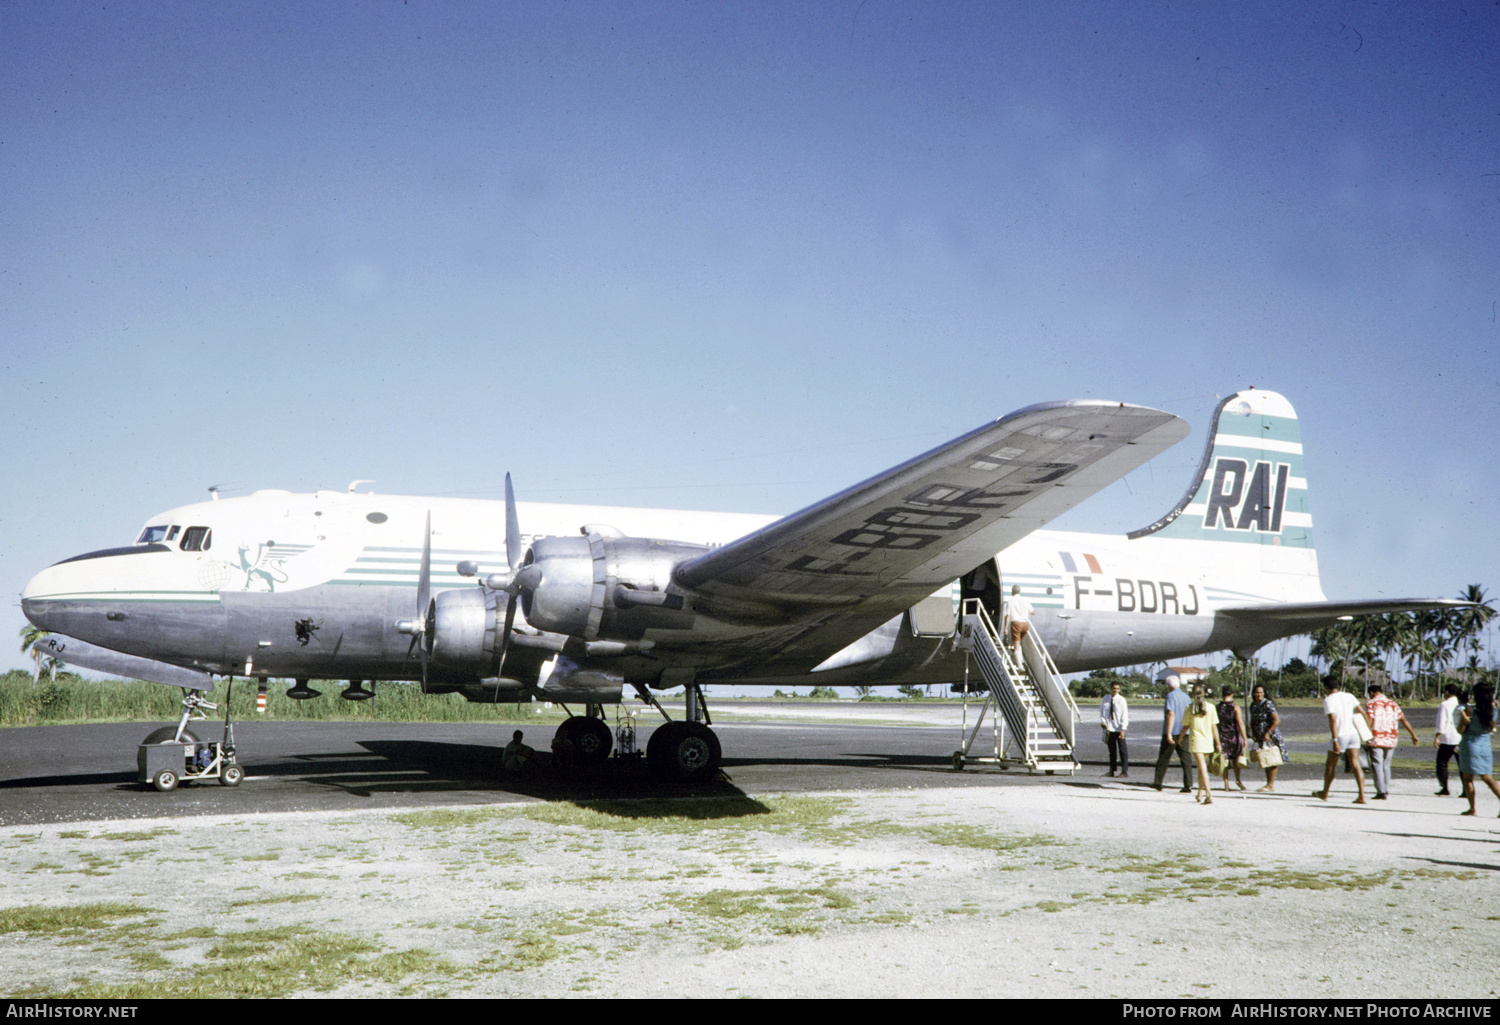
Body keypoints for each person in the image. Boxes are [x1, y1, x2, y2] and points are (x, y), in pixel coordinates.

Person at [1315, 676, 1369, 804]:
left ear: (1326, 687)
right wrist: (1367, 731)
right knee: (1356, 764)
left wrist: (1334, 739)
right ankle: (1361, 795)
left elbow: (1332, 719)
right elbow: (1363, 713)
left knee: (1330, 765)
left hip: (1340, 735)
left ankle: (1325, 792)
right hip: (1353, 734)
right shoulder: (1349, 696)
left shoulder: (1328, 700)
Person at [1363, 683, 1419, 800]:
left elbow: (1369, 718)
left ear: (1371, 693)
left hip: (1376, 738)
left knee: (1377, 765)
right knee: (1386, 765)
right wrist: (1413, 734)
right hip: (1391, 738)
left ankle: (1380, 791)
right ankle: (1386, 789)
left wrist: (1365, 734)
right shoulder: (1393, 704)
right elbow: (1403, 719)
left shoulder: (1371, 703)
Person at [1456, 681, 1499, 817]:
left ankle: (1472, 808)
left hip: (1470, 743)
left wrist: (1464, 720)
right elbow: (1491, 728)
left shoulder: (1470, 710)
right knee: (1487, 777)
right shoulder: (1494, 710)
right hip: (1485, 744)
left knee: (1468, 778)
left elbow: (1460, 731)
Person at [1152, 673, 1193, 793]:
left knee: (1164, 758)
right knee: (1186, 759)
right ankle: (1188, 784)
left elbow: (1170, 714)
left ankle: (1158, 783)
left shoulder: (1170, 696)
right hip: (1184, 731)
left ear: (1168, 685)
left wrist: (1168, 732)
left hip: (1173, 731)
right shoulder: (1186, 696)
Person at [1182, 683, 1221, 805]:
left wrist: (1180, 737)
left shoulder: (1190, 708)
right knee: (1201, 767)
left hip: (1196, 740)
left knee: (1202, 767)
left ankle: (1208, 793)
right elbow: (1214, 727)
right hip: (1208, 740)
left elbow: (1186, 725)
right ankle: (1200, 792)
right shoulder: (1211, 707)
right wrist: (1217, 742)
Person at [1249, 683, 1286, 792]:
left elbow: (1277, 720)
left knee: (1272, 758)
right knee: (1265, 758)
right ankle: (1268, 783)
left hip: (1271, 734)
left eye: (1261, 692)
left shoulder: (1268, 704)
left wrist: (1268, 732)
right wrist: (1254, 733)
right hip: (1260, 735)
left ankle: (1270, 784)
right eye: (1257, 692)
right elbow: (1253, 720)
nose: (1259, 694)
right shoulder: (1253, 705)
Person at [1215, 686, 1247, 792]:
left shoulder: (1217, 707)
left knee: (1224, 761)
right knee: (1235, 760)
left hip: (1222, 737)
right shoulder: (1235, 707)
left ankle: (1226, 784)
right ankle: (1238, 780)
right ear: (1232, 694)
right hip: (1234, 736)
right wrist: (1245, 738)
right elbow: (1240, 723)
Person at [1434, 683, 1462, 796]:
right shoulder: (1461, 704)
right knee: (1462, 764)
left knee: (1442, 763)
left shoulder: (1444, 704)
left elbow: (1441, 722)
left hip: (1448, 738)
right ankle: (1466, 789)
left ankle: (1444, 787)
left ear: (1447, 692)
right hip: (1460, 738)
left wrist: (1437, 736)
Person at [1099, 679, 1129, 777]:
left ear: (1119, 689)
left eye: (1117, 689)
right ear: (1110, 688)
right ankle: (1112, 770)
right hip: (1110, 728)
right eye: (1113, 688)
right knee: (1112, 751)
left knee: (1122, 750)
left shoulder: (1121, 700)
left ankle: (1124, 771)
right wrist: (1103, 721)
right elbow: (1102, 712)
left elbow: (1124, 715)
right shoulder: (1105, 699)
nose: (1115, 690)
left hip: (1119, 728)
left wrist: (1123, 729)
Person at [1003, 585, 1033, 657]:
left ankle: (1020, 666)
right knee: (1018, 643)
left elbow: (1008, 615)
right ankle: (1020, 660)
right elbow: (1033, 612)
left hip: (1016, 624)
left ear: (1012, 592)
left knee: (1016, 646)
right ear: (1019, 592)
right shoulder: (1025, 600)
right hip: (1025, 625)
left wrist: (1005, 627)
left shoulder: (1010, 601)